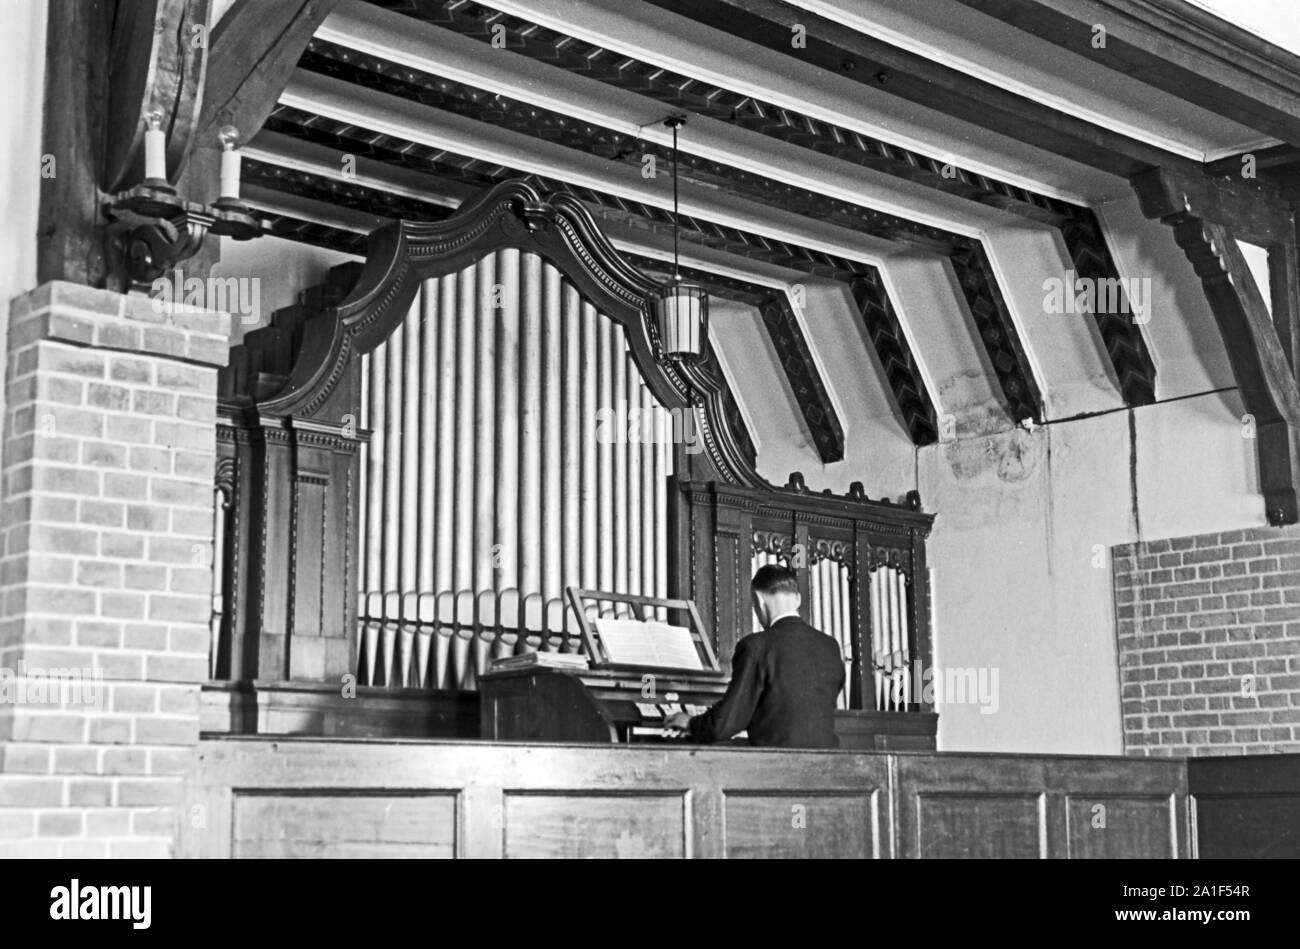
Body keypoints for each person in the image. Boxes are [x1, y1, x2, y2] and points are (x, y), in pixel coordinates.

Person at [664, 564, 844, 748]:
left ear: (758, 599)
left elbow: (725, 724)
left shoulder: (755, 647)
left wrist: (690, 723)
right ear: (797, 599)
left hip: (779, 766)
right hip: (828, 763)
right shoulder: (830, 646)